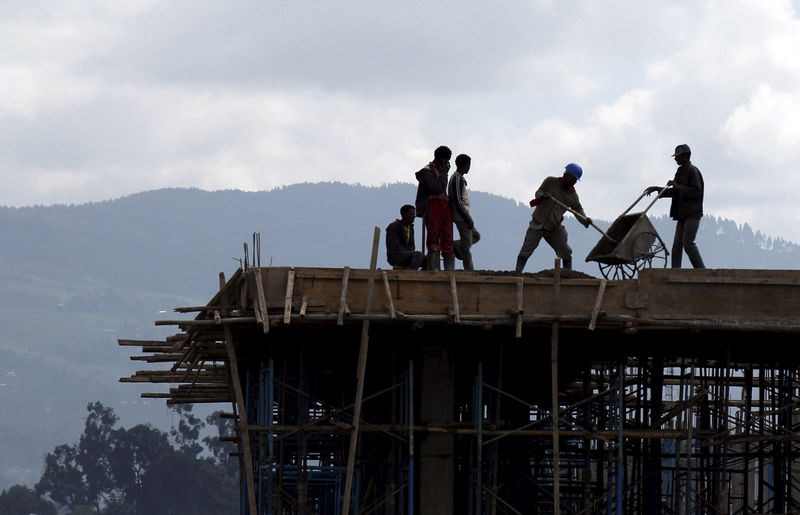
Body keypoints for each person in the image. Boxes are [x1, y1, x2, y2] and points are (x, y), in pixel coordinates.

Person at [515, 163, 592, 272]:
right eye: (573, 179)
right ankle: (517, 272)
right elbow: (539, 192)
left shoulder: (573, 196)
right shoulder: (550, 182)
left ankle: (568, 275)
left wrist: (585, 220)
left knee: (565, 251)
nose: (574, 182)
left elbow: (578, 209)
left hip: (553, 228)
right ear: (566, 174)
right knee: (526, 250)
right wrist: (542, 196)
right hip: (537, 224)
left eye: (575, 180)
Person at [645, 144, 705, 268]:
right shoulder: (680, 171)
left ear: (686, 156)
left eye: (678, 156)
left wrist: (678, 186)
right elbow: (675, 192)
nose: (676, 159)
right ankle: (675, 270)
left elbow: (696, 192)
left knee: (688, 243)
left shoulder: (693, 171)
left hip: (692, 214)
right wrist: (658, 189)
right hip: (682, 214)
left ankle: (701, 271)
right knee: (677, 246)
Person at [414, 145, 454, 271]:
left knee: (448, 237)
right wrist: (444, 175)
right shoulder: (427, 172)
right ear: (440, 159)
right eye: (446, 160)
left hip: (444, 207)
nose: (447, 163)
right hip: (432, 206)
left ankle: (449, 270)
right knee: (433, 236)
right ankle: (434, 268)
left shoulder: (441, 172)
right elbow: (436, 188)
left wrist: (444, 175)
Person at [448, 153, 480, 271]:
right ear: (465, 165)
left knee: (476, 236)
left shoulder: (460, 178)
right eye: (469, 165)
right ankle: (469, 270)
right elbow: (457, 201)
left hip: (464, 215)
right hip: (461, 217)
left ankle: (456, 245)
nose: (469, 167)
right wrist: (467, 218)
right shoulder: (456, 179)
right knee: (466, 247)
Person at [385, 205, 426, 269]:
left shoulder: (411, 228)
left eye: (414, 214)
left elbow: (412, 246)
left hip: (408, 255)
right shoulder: (394, 226)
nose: (414, 216)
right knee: (418, 255)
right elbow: (394, 246)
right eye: (412, 214)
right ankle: (411, 274)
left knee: (428, 259)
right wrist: (410, 253)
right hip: (396, 256)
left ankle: (423, 276)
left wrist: (411, 254)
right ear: (404, 214)